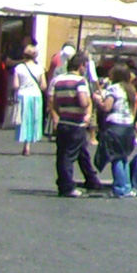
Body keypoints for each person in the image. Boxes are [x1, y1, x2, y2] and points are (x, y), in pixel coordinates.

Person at [49, 52, 100, 196]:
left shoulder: (57, 80)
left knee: (76, 153)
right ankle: (66, 186)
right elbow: (83, 101)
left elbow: (53, 101)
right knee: (69, 155)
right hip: (76, 123)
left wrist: (57, 115)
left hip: (63, 121)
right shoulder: (80, 81)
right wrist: (89, 103)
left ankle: (91, 180)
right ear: (81, 65)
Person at [94, 62, 137, 197]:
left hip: (115, 126)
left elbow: (106, 107)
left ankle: (120, 187)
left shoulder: (113, 89)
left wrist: (97, 100)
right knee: (124, 157)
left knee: (115, 157)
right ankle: (127, 186)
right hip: (128, 126)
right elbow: (134, 110)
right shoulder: (131, 90)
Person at [11, 41, 43, 155]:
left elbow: (15, 85)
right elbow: (43, 86)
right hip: (36, 96)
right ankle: (28, 144)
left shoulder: (19, 68)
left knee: (24, 120)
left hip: (23, 95)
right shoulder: (39, 68)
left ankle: (25, 144)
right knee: (33, 119)